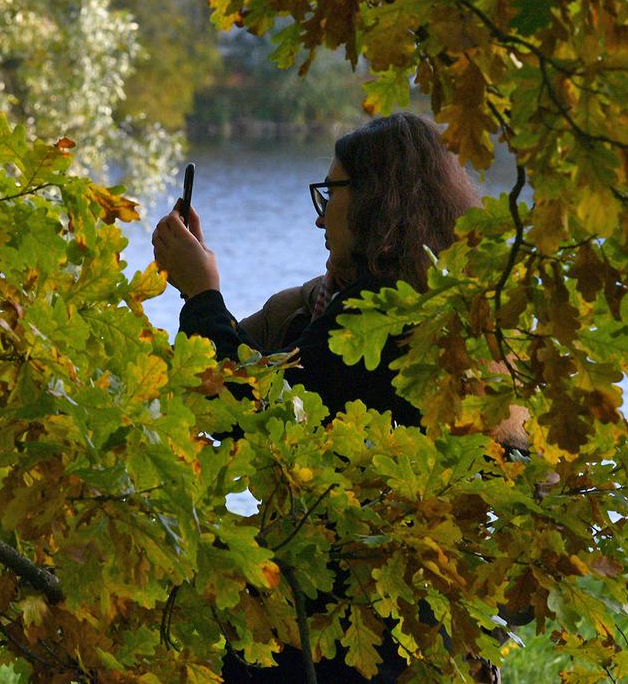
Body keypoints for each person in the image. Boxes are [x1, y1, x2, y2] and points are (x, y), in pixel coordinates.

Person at [152, 113, 508, 681]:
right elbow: (281, 379)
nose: (320, 217)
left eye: (331, 193)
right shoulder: (445, 307)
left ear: (374, 199)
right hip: (411, 621)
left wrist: (201, 293)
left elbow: (257, 417)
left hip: (333, 627)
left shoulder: (371, 315)